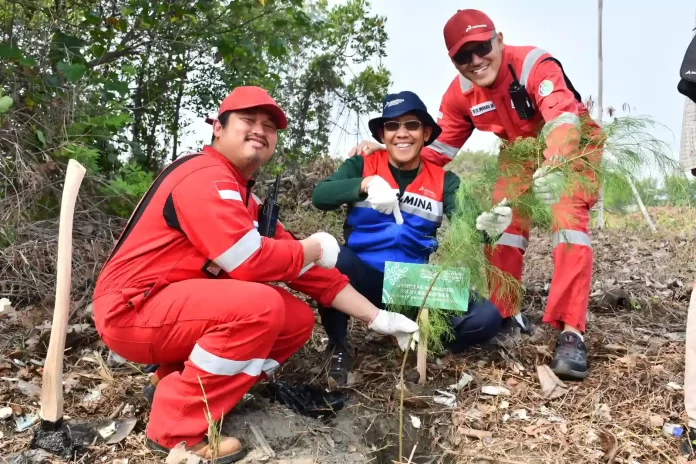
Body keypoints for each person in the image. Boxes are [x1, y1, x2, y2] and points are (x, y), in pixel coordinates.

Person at [91, 86, 421, 462]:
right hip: (133, 310)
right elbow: (251, 262)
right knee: (260, 306)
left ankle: (175, 382)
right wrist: (314, 245)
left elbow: (310, 272)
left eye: (269, 126)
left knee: (295, 318)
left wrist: (378, 317)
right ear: (218, 127)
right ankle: (175, 428)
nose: (259, 131)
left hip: (169, 308)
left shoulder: (246, 198)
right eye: (248, 120)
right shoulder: (205, 176)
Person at [348, 9, 604, 381]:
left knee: (568, 223)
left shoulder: (534, 65)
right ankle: (506, 312)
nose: (475, 60)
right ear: (453, 61)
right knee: (499, 224)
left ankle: (571, 331)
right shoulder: (460, 94)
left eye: (482, 47)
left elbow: (563, 117)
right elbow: (436, 152)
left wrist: (555, 163)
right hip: (517, 152)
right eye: (462, 56)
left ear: (498, 39)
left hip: (572, 147)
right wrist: (382, 156)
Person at [312, 90, 510, 386]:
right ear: (382, 133)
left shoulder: (445, 180)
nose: (401, 133)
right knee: (329, 256)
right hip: (361, 276)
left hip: (413, 284)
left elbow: (469, 222)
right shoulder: (362, 164)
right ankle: (339, 346)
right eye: (392, 126)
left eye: (411, 125)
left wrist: (489, 226)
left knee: (489, 316)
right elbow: (320, 195)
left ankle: (425, 342)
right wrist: (365, 184)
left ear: (426, 132)